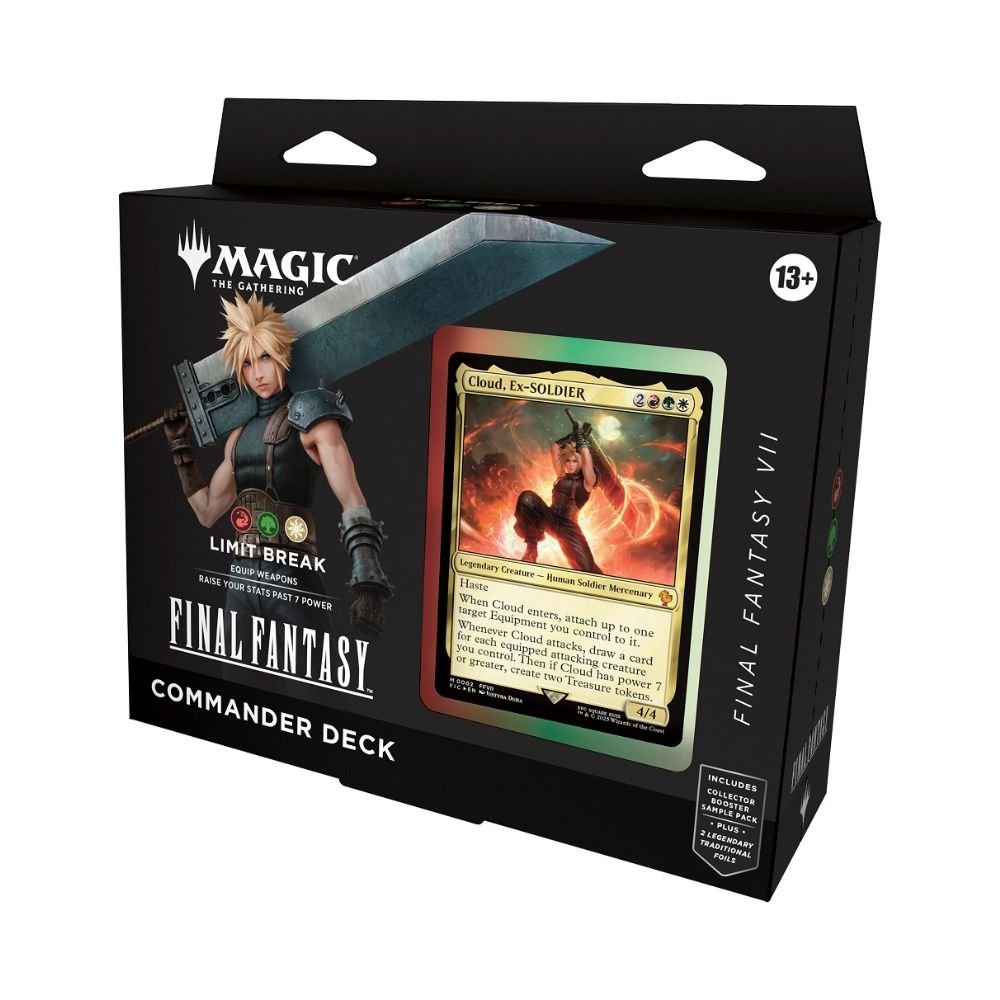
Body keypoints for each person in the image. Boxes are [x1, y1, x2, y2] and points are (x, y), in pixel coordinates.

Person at [163, 293, 391, 637]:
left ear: (283, 354)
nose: (257, 373)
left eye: (265, 357)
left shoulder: (314, 420)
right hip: (241, 578)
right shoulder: (238, 436)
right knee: (231, 668)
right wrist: (180, 447)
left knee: (311, 670)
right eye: (247, 363)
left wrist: (367, 580)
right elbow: (207, 511)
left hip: (293, 575)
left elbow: (352, 499)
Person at [513, 415, 602, 574]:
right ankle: (531, 549)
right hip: (551, 519)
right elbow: (554, 447)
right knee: (527, 498)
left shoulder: (588, 482)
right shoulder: (561, 476)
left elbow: (586, 459)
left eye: (574, 461)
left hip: (569, 529)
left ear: (580, 463)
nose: (570, 464)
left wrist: (581, 440)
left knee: (587, 570)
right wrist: (572, 436)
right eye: (568, 461)